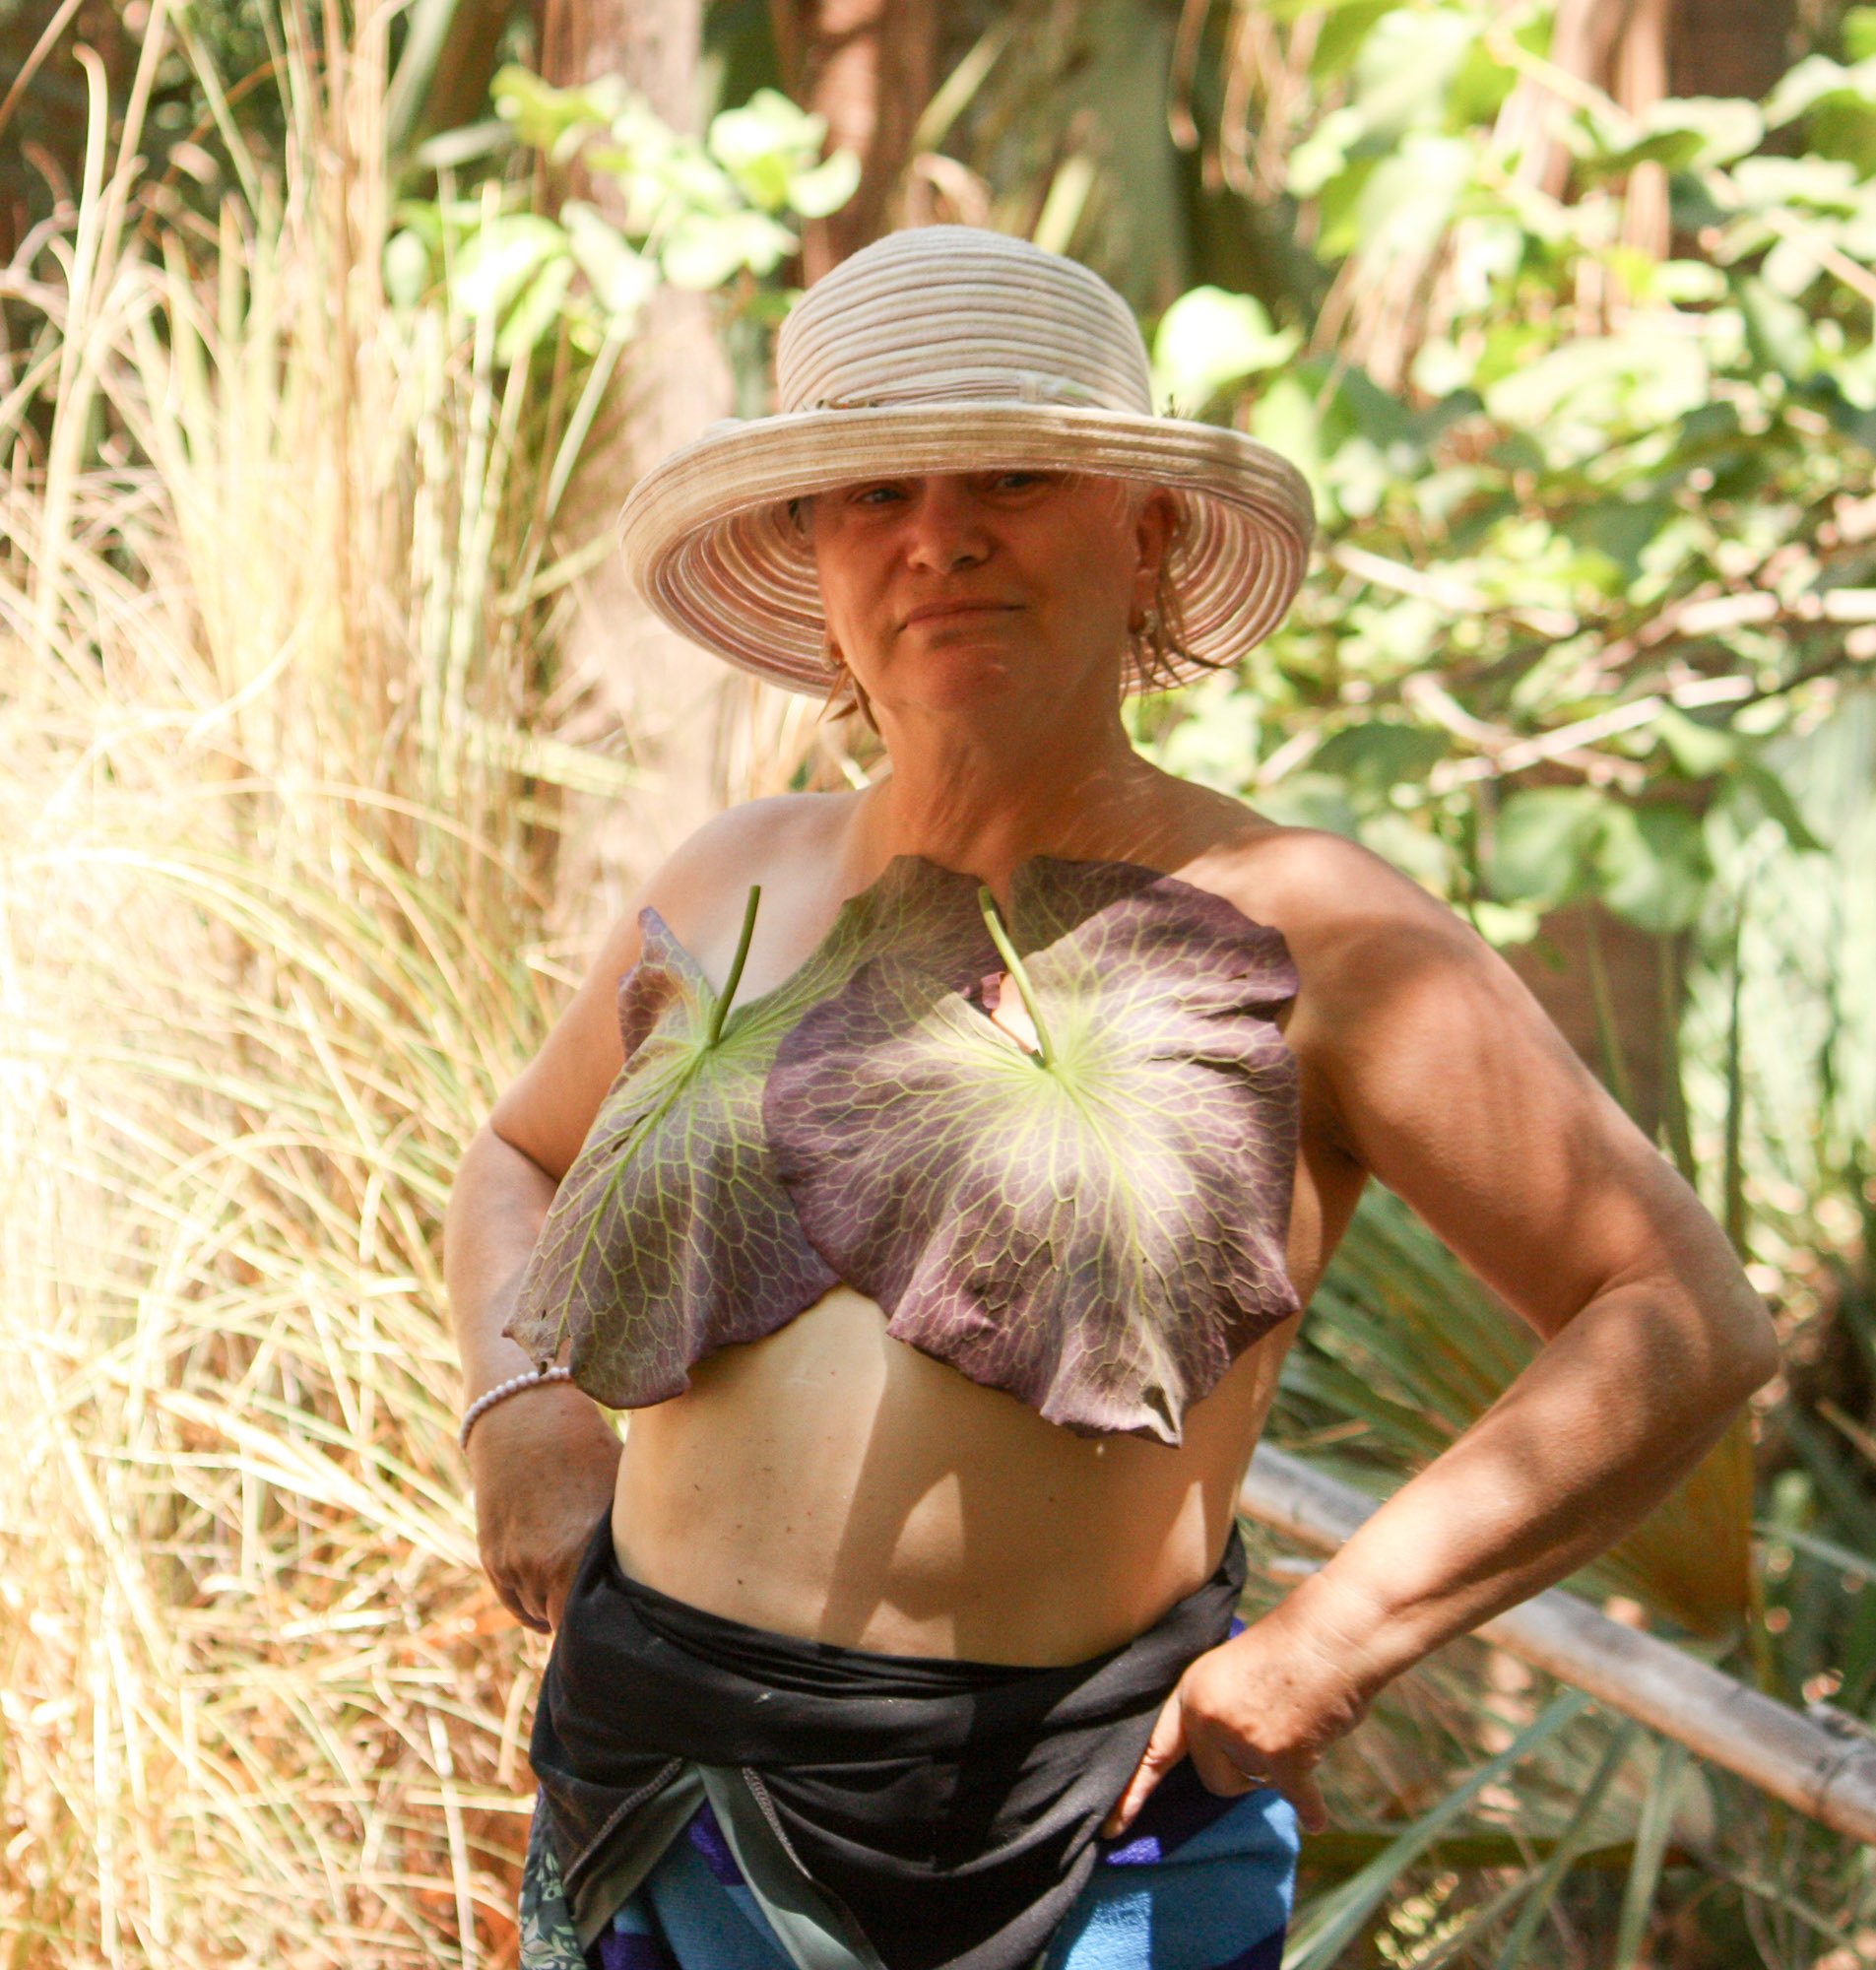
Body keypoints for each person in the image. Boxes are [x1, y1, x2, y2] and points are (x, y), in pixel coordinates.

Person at [444, 228, 1778, 1970]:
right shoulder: (731, 875)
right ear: (811, 553)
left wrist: (1330, 1648)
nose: (940, 536)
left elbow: (1678, 1314)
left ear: (1144, 533)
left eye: (1012, 476)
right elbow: (516, 1154)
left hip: (1070, 1851)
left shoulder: (1312, 927)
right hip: (647, 1803)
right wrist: (521, 1411)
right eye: (874, 493)